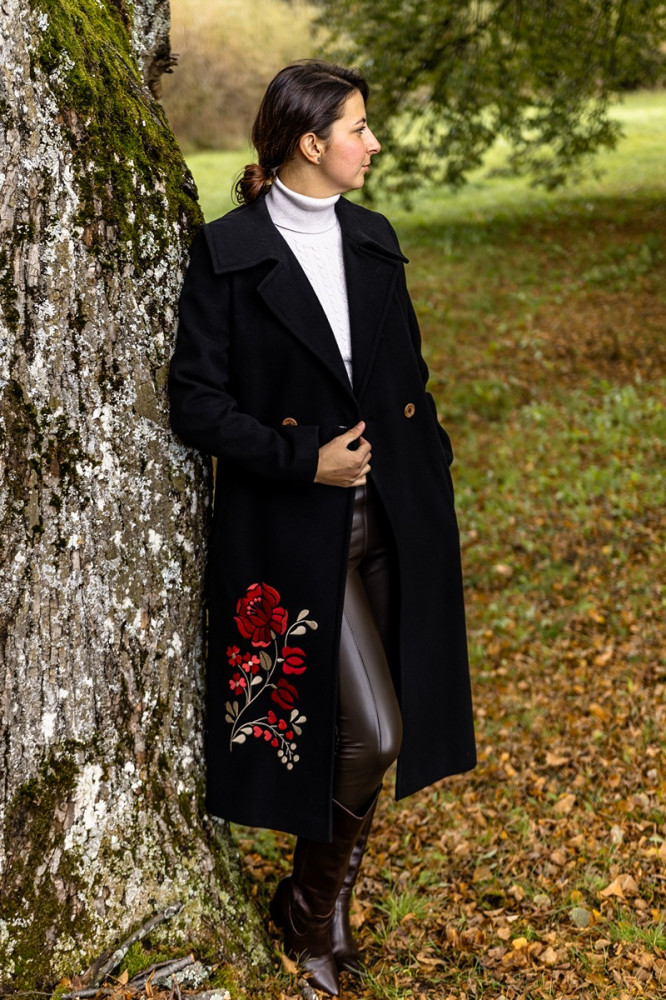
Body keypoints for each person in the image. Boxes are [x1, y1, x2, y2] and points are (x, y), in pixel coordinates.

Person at [169, 60, 476, 996]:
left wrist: (429, 458)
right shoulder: (229, 252)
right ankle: (308, 911)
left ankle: (319, 914)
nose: (373, 143)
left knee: (387, 717)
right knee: (371, 733)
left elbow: (408, 375)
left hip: (398, 513)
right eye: (358, 128)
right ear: (311, 143)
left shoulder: (373, 237)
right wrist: (306, 460)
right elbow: (196, 403)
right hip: (297, 529)